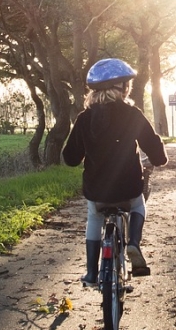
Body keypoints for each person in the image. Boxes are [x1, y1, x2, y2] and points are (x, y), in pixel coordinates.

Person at [63, 58, 168, 286]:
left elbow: (70, 158)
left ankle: (91, 273)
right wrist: (158, 158)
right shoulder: (133, 115)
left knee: (94, 215)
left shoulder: (84, 119)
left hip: (96, 191)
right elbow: (156, 153)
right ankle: (134, 244)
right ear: (122, 87)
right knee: (139, 205)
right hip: (128, 189)